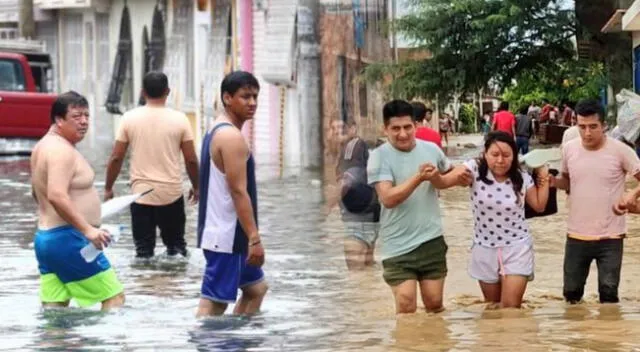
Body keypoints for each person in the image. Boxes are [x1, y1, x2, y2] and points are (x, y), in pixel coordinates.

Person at [367, 99, 472, 314]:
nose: (403, 134)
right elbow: (387, 198)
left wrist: (462, 175)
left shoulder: (431, 149)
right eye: (395, 129)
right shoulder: (378, 157)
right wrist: (419, 177)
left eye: (407, 127)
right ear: (385, 129)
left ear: (416, 125)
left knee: (434, 304)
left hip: (431, 239)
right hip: (397, 245)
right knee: (406, 305)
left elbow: (450, 175)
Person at [30, 91, 125, 310]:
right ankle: (102, 344)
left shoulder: (42, 147)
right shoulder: (60, 151)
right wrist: (88, 230)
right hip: (69, 239)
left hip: (47, 240)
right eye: (76, 116)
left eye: (86, 115)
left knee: (55, 310)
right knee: (114, 298)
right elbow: (56, 195)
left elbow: (37, 193)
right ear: (59, 119)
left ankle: (57, 344)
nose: (83, 122)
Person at [104, 72, 200, 259]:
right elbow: (191, 160)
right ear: (168, 91)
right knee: (177, 250)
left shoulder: (129, 118)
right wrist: (197, 187)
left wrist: (108, 187)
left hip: (140, 196)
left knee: (143, 253)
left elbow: (116, 157)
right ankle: (176, 287)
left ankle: (144, 288)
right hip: (171, 194)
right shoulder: (180, 119)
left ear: (142, 92)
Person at [553, 99, 640, 304]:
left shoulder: (620, 150)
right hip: (576, 235)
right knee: (571, 297)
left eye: (593, 127)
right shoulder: (569, 149)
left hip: (611, 237)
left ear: (604, 126)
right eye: (582, 127)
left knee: (609, 297)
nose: (587, 133)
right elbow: (568, 182)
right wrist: (552, 182)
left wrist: (633, 195)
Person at [196, 71, 268, 317]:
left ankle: (235, 342)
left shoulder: (215, 129)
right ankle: (207, 343)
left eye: (255, 97)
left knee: (256, 289)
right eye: (245, 97)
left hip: (228, 233)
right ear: (227, 98)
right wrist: (254, 238)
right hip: (227, 235)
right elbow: (238, 191)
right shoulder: (230, 136)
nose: (252, 103)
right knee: (214, 304)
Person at [457, 131, 550, 308]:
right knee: (492, 307)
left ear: (514, 156)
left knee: (510, 308)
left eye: (507, 155)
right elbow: (453, 177)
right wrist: (439, 177)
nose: (500, 160)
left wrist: (543, 175)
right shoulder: (474, 170)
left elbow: (539, 206)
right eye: (495, 155)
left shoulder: (521, 177)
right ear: (485, 154)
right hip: (484, 248)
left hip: (517, 247)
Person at [335, 120, 380, 269]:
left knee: (355, 275)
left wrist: (325, 207)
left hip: (356, 218)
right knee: (367, 269)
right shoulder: (365, 147)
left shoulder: (352, 146)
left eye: (341, 128)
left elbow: (347, 180)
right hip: (372, 214)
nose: (336, 132)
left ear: (353, 129)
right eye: (333, 128)